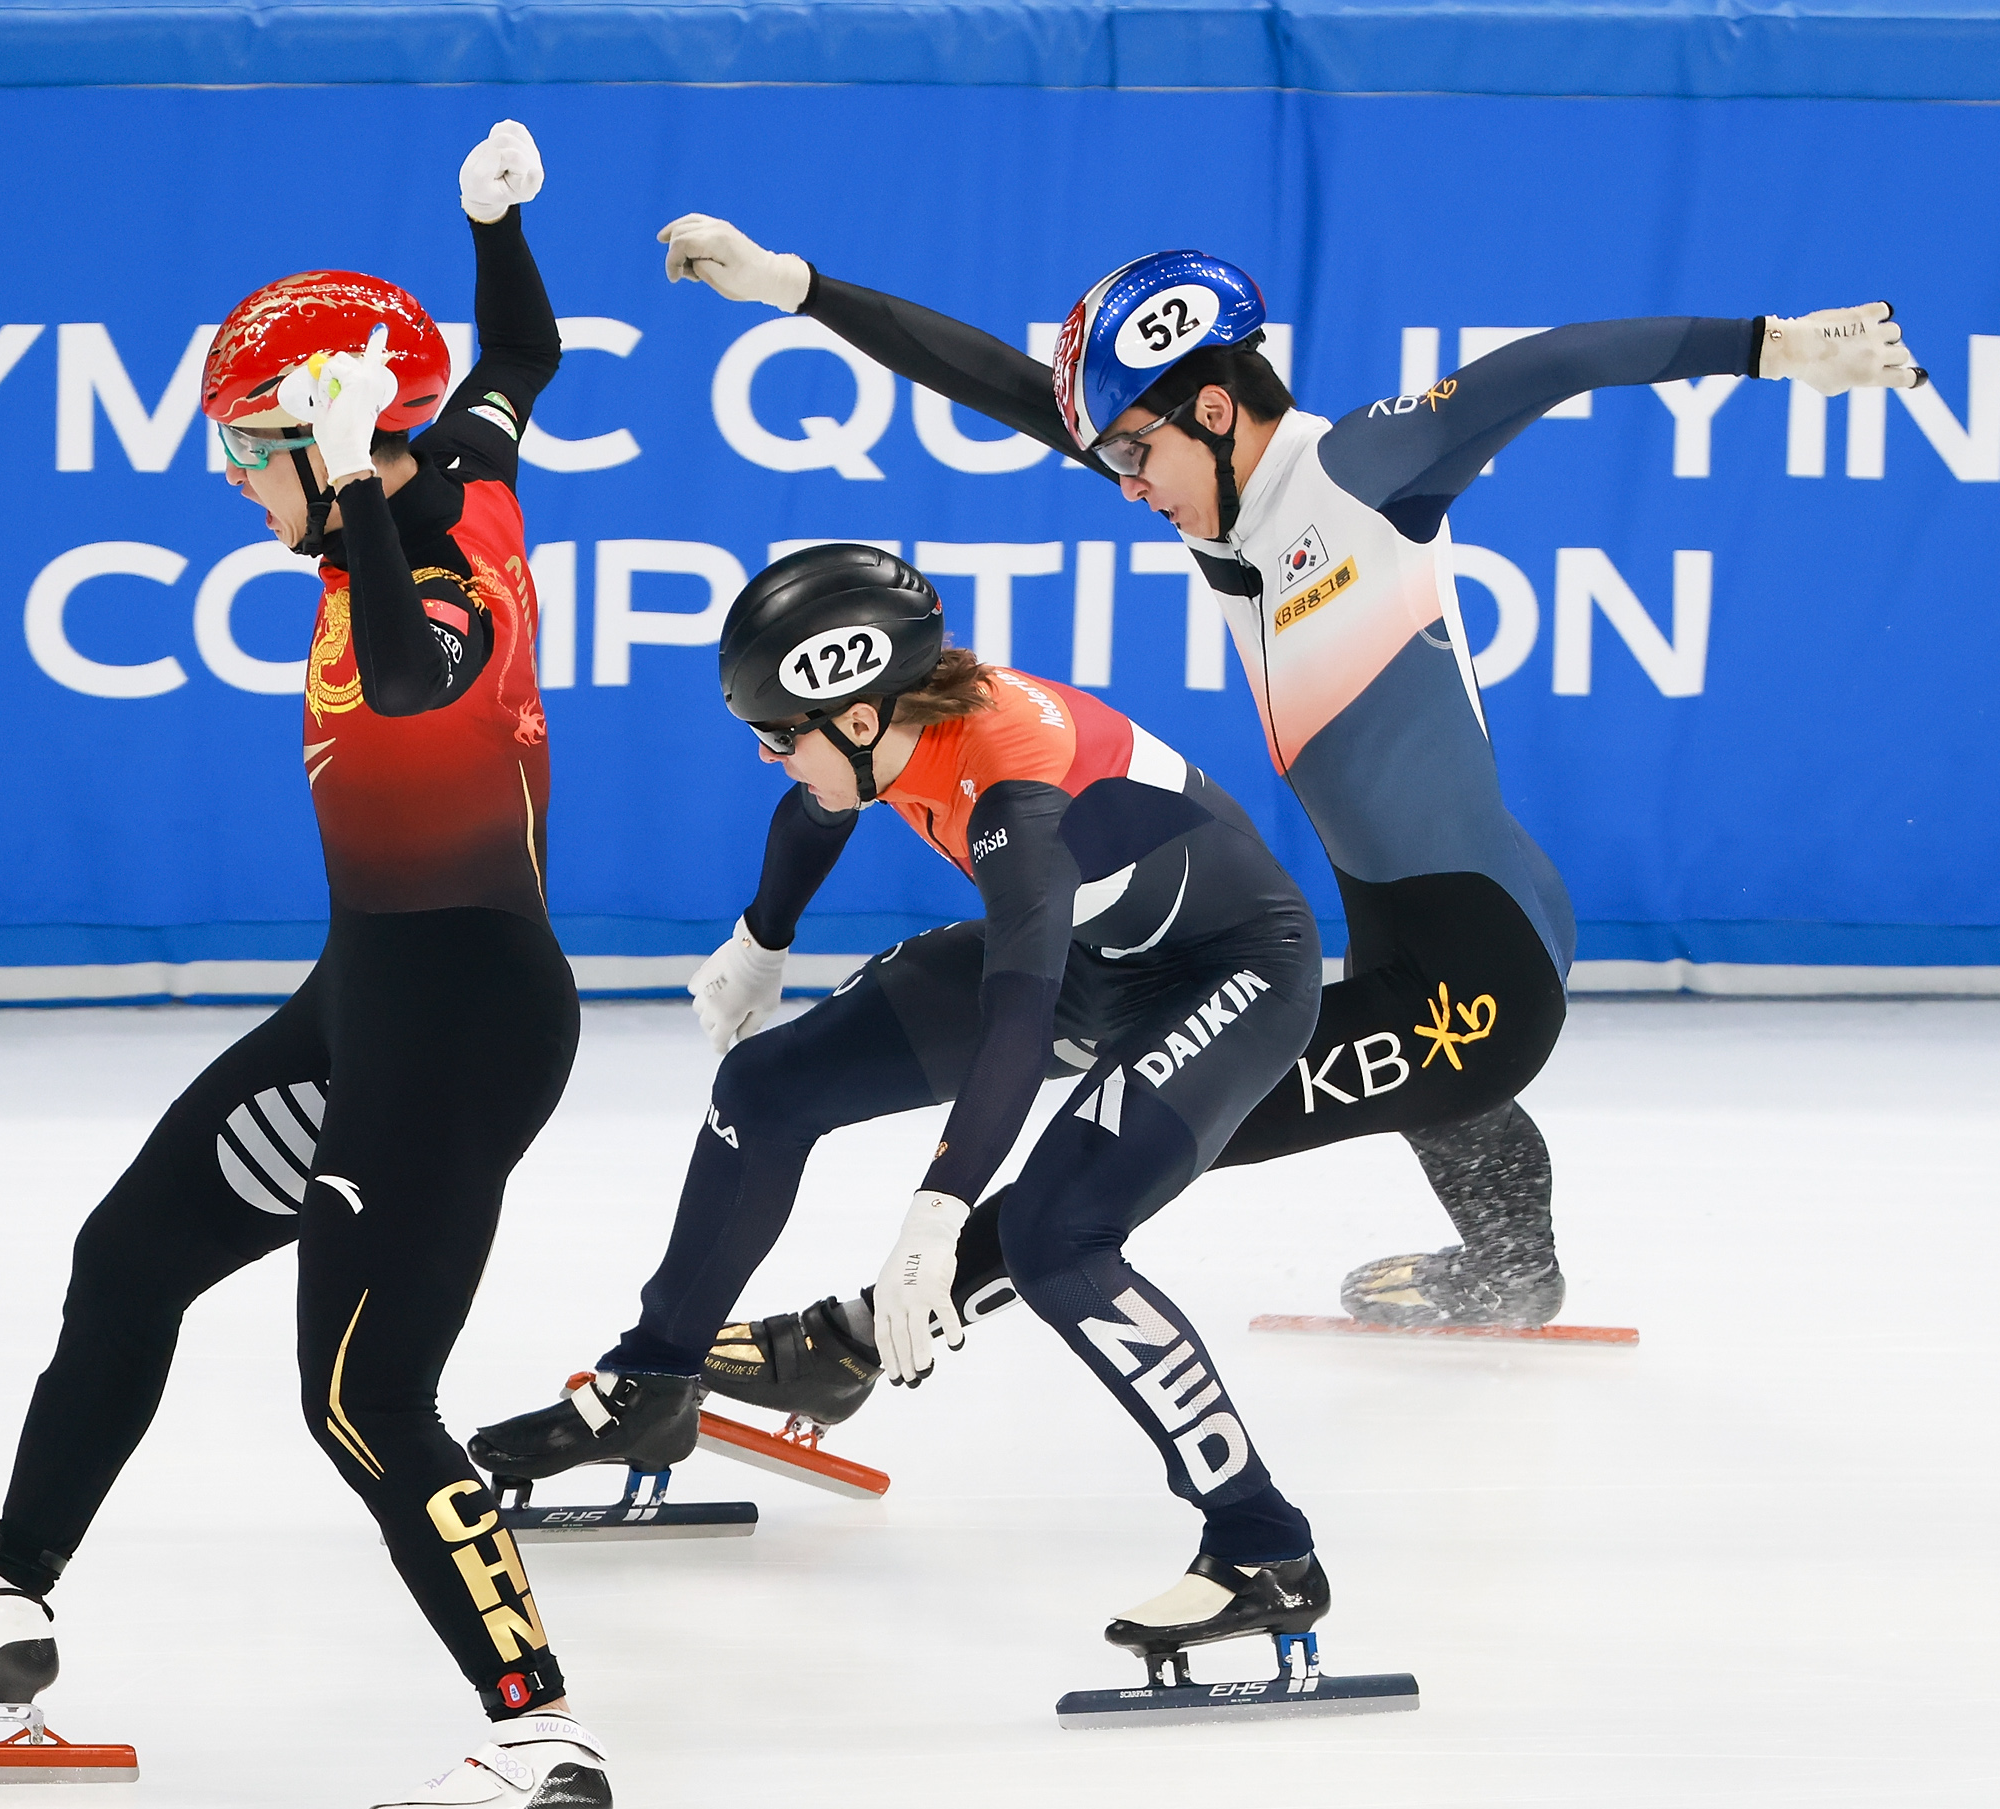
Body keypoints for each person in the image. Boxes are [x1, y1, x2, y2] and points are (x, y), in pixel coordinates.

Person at [656, 219, 1922, 1406]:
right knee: (1402, 1060)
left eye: (1138, 457)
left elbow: (1551, 365)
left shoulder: (1361, 469)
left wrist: (1775, 348)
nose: (1129, 488)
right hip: (1420, 925)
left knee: (1135, 1133)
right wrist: (792, 287)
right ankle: (1511, 1264)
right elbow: (994, 379)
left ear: (1214, 409)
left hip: (1485, 971)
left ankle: (854, 1348)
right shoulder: (1216, 498)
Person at [0, 122, 615, 1809]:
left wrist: (346, 513)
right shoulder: (456, 460)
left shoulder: (435, 565)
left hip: (458, 1032)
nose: (233, 486)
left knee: (364, 1402)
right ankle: (8, 1606)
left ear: (328, 445)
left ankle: (545, 1738)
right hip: (370, 1001)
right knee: (130, 1258)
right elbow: (525, 357)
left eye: (248, 456)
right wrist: (501, 223)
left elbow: (412, 682)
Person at [472, 545, 1346, 1662]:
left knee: (1054, 1237)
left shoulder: (1017, 795)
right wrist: (759, 939)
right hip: (1100, 950)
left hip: (1233, 974)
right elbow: (818, 811)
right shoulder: (884, 733)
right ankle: (652, 1382)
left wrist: (938, 1214)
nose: (770, 755)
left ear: (856, 716)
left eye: (781, 734)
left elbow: (1022, 1023)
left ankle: (1264, 1547)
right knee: (765, 1085)